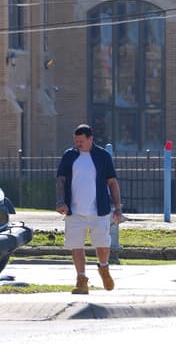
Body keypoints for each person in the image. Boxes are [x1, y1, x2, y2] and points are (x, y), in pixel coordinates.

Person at [55, 123, 122, 293]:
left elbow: (112, 182)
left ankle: (104, 269)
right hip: (74, 211)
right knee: (76, 246)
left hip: (99, 210)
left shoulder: (102, 156)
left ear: (91, 139)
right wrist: (61, 201)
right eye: (76, 141)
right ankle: (82, 281)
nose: (78, 144)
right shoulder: (69, 156)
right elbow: (61, 180)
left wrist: (118, 208)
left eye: (81, 141)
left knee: (102, 244)